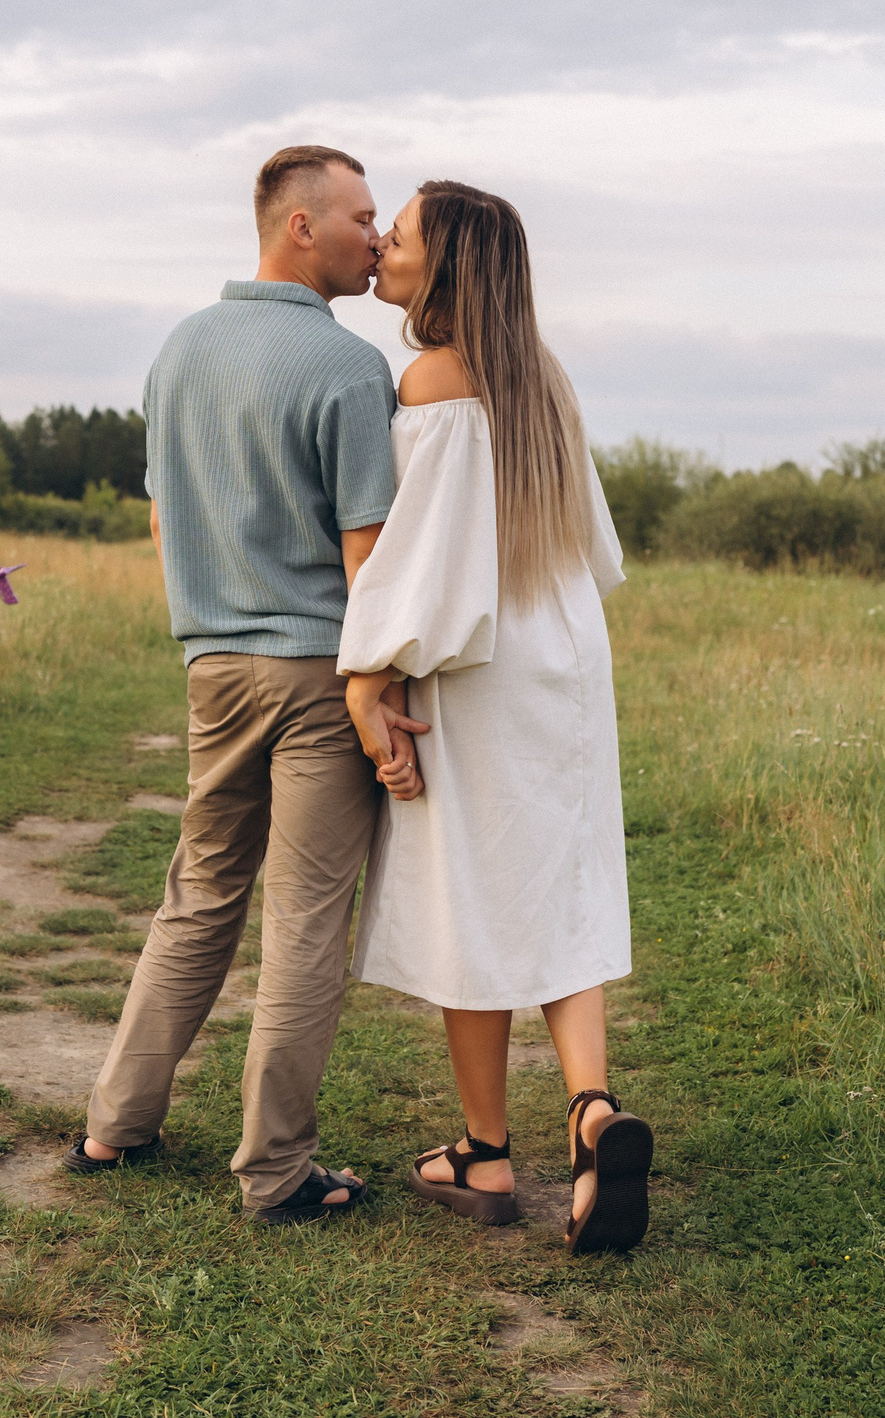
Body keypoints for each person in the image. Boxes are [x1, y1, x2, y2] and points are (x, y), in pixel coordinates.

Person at [67, 144, 427, 1226]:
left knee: (199, 894)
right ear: (299, 227)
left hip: (213, 666)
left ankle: (113, 1127)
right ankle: (276, 1172)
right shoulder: (349, 368)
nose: (377, 235)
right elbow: (370, 559)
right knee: (306, 919)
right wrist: (378, 686)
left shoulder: (179, 350)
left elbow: (165, 514)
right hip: (320, 673)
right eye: (363, 217)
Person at [338, 180, 652, 1255]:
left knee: (465, 887)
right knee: (557, 880)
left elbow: (415, 556)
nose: (382, 243)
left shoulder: (431, 380)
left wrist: (368, 672)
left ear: (450, 266)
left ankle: (483, 1151)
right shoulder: (541, 380)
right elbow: (594, 550)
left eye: (404, 234)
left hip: (476, 666)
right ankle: (591, 1112)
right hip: (563, 659)